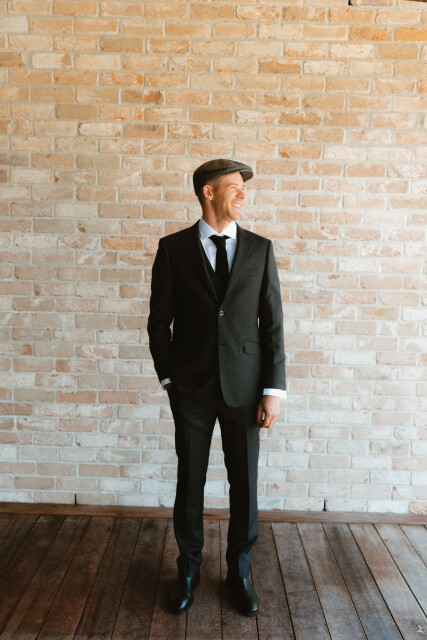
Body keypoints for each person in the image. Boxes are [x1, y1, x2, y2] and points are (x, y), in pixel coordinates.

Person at [147, 159, 286, 617]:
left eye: (244, 187)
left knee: (244, 484)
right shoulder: (173, 249)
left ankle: (239, 574)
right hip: (190, 390)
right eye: (233, 186)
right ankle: (187, 571)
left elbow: (272, 325)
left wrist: (274, 390)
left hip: (246, 390)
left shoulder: (260, 249)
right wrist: (169, 379)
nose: (243, 194)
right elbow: (158, 322)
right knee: (190, 483)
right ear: (208, 192)